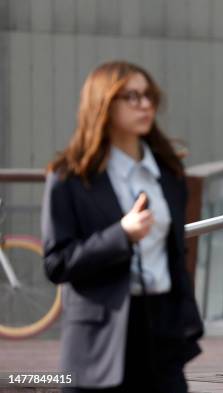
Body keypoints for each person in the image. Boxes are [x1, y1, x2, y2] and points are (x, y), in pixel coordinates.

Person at [41, 61, 204, 392]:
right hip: (101, 338)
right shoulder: (69, 179)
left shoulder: (169, 172)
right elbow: (57, 262)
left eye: (148, 96)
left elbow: (174, 251)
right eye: (131, 96)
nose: (144, 105)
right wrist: (122, 235)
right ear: (103, 103)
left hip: (162, 330)